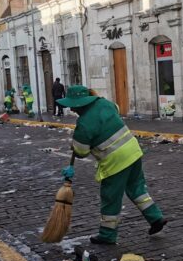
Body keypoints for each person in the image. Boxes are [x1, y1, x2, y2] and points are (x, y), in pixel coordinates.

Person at [57, 86, 167, 245]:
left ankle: (107, 235)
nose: (72, 109)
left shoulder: (84, 124)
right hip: (133, 151)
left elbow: (81, 152)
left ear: (80, 104)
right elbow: (116, 109)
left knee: (110, 197)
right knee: (137, 189)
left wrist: (74, 145)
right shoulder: (105, 103)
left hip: (116, 162)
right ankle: (156, 218)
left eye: (73, 106)